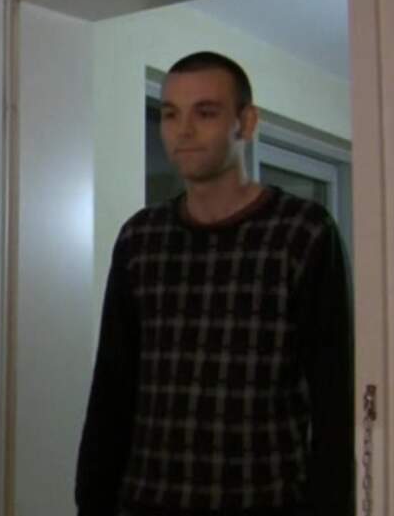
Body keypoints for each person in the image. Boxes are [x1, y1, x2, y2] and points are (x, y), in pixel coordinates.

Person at [75, 51, 353, 516]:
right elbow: (112, 387)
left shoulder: (303, 232)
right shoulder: (140, 238)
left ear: (247, 122)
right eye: (170, 114)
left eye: (205, 113)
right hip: (147, 499)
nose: (182, 130)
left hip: (265, 499)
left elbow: (333, 399)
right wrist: (92, 501)